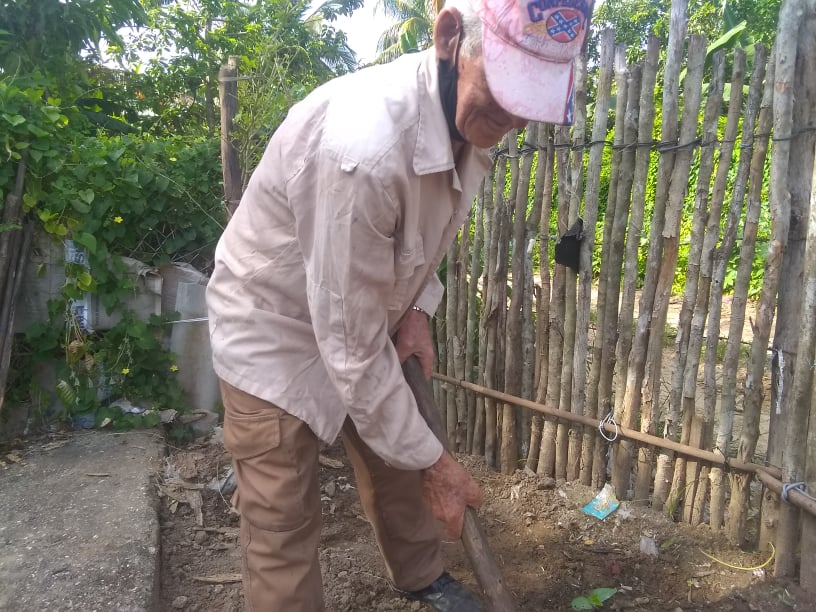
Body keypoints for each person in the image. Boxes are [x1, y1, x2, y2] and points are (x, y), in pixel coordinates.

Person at [206, 0, 592, 608]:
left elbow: (421, 235)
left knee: (399, 462)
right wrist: (440, 464)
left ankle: (422, 577)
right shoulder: (364, 149)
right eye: (504, 89)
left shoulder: (472, 123)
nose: (516, 115)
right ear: (447, 38)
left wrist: (415, 312)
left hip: (357, 310)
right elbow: (348, 343)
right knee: (282, 518)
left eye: (530, 99)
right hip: (273, 328)